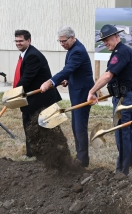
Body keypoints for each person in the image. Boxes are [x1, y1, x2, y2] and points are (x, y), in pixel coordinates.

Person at [87, 24, 132, 175]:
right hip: (124, 95)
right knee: (128, 130)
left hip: (125, 98)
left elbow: (108, 75)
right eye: (103, 40)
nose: (105, 43)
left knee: (121, 132)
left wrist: (92, 91)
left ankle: (122, 170)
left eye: (107, 39)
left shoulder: (121, 52)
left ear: (117, 36)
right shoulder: (120, 51)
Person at [40, 26, 94, 167]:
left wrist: (50, 81)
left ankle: (82, 160)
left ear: (72, 37)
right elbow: (74, 70)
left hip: (82, 92)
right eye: (60, 42)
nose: (62, 44)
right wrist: (68, 79)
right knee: (75, 124)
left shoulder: (77, 51)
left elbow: (68, 69)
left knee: (79, 125)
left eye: (64, 41)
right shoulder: (73, 48)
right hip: (77, 89)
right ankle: (80, 156)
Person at [13, 30, 62, 157]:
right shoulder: (26, 54)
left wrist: (13, 94)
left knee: (44, 125)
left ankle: (49, 154)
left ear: (28, 41)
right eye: (16, 41)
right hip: (35, 98)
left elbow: (26, 79)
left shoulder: (32, 56)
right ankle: (35, 153)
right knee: (32, 124)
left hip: (42, 98)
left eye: (21, 41)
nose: (18, 43)